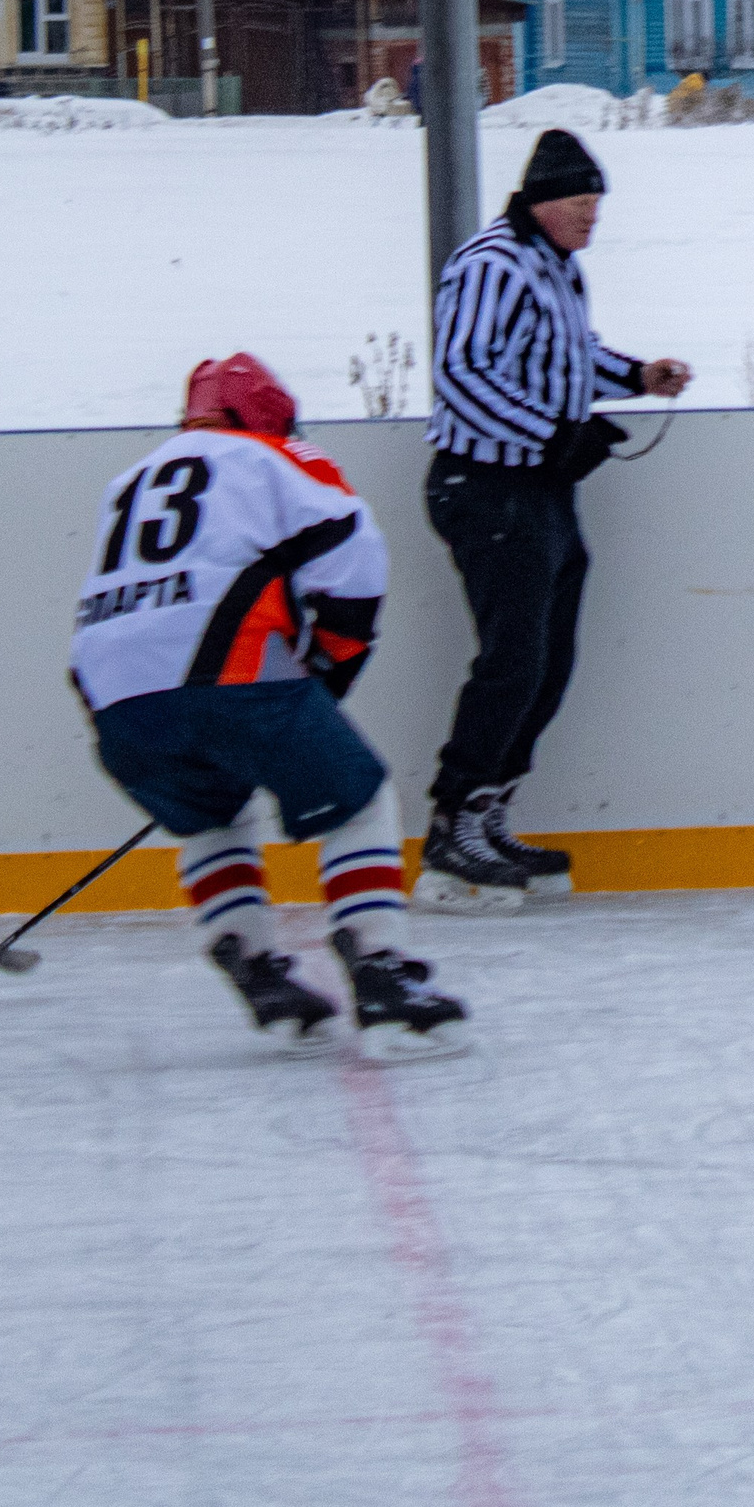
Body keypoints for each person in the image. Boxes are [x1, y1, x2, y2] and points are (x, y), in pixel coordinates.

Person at [71, 353, 470, 1060]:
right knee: (360, 801)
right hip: (230, 675)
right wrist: (332, 670)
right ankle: (380, 971)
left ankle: (255, 965)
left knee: (212, 813)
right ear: (269, 415)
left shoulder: (128, 481)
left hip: (111, 697)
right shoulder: (282, 458)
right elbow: (352, 558)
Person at [420, 127, 693, 914]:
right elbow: (461, 373)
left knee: (548, 659)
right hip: (486, 485)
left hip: (535, 489)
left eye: (596, 205)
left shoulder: (556, 269)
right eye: (580, 204)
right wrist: (551, 436)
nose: (591, 218)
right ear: (542, 201)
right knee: (513, 658)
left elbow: (571, 354)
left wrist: (637, 374)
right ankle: (451, 822)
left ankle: (487, 811)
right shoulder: (490, 265)